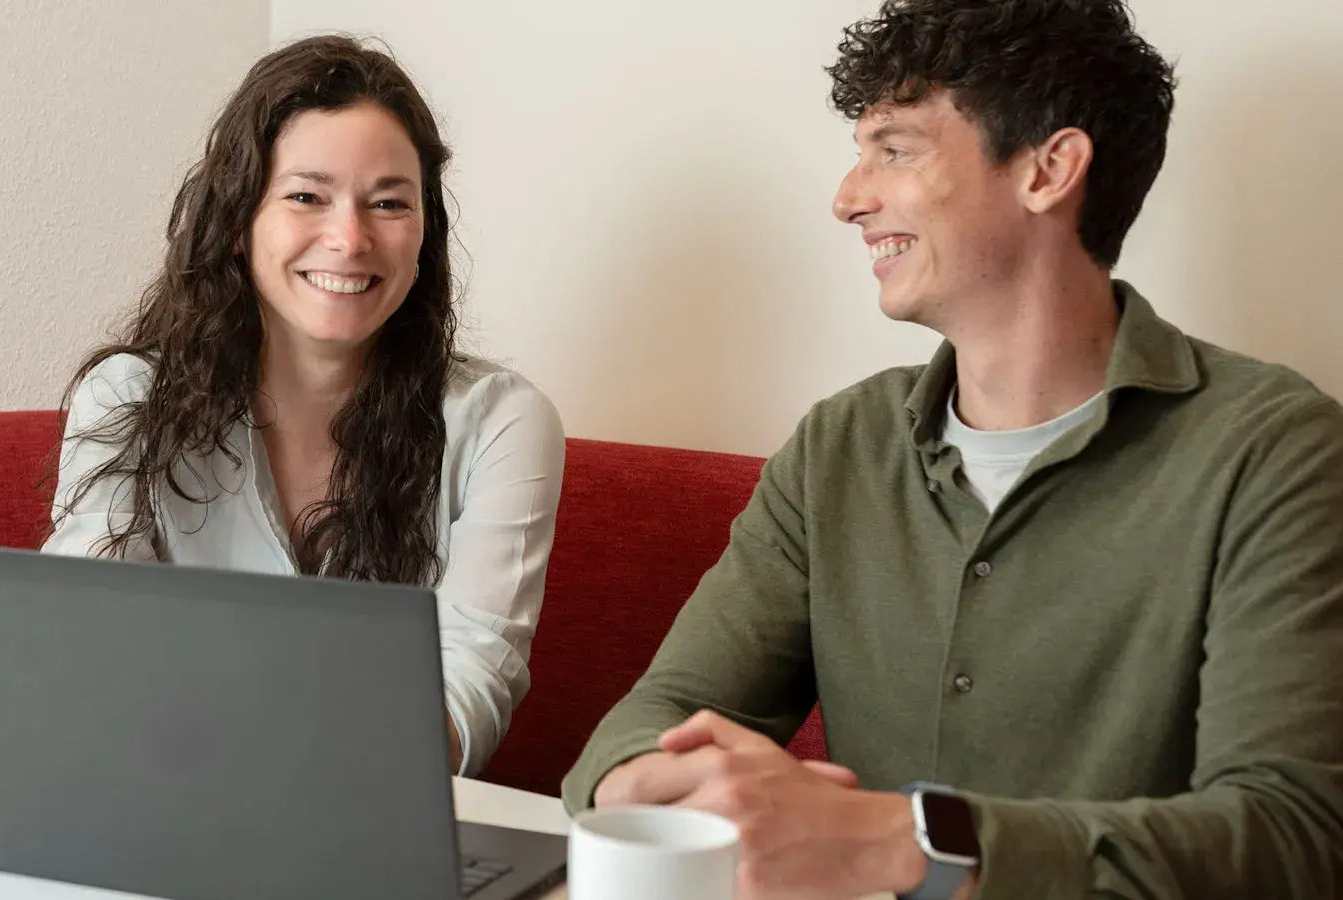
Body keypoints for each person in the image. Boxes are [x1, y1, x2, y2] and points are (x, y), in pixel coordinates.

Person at [562, 1, 1343, 897]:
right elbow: (655, 721)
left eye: (895, 149)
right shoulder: (839, 447)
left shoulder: (1273, 449)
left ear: (1050, 170)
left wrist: (903, 842)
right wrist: (648, 788)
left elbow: (1293, 839)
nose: (849, 197)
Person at [42, 35, 566, 779]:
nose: (350, 238)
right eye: (306, 197)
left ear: (424, 236)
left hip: (372, 821)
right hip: (160, 799)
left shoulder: (502, 423)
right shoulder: (128, 398)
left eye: (388, 203)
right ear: (236, 220)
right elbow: (85, 641)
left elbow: (472, 681)